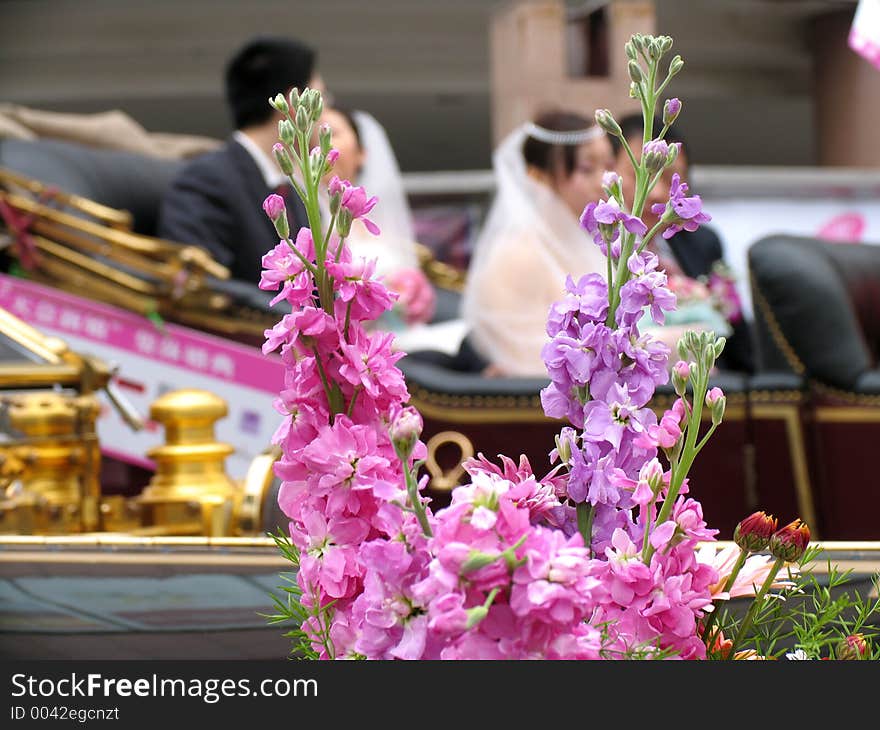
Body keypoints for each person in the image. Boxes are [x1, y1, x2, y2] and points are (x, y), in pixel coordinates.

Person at [457, 110, 614, 377]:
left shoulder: (589, 242)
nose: (604, 181)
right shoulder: (518, 254)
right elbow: (521, 358)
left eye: (607, 166)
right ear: (537, 176)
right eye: (587, 169)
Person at [157, 36, 323, 284]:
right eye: (322, 100)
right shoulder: (204, 183)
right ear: (295, 103)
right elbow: (203, 288)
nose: (327, 116)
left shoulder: (299, 195)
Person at [611, 112, 754, 373]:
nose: (656, 192)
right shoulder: (599, 242)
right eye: (643, 175)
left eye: (670, 179)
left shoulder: (702, 242)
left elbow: (739, 346)